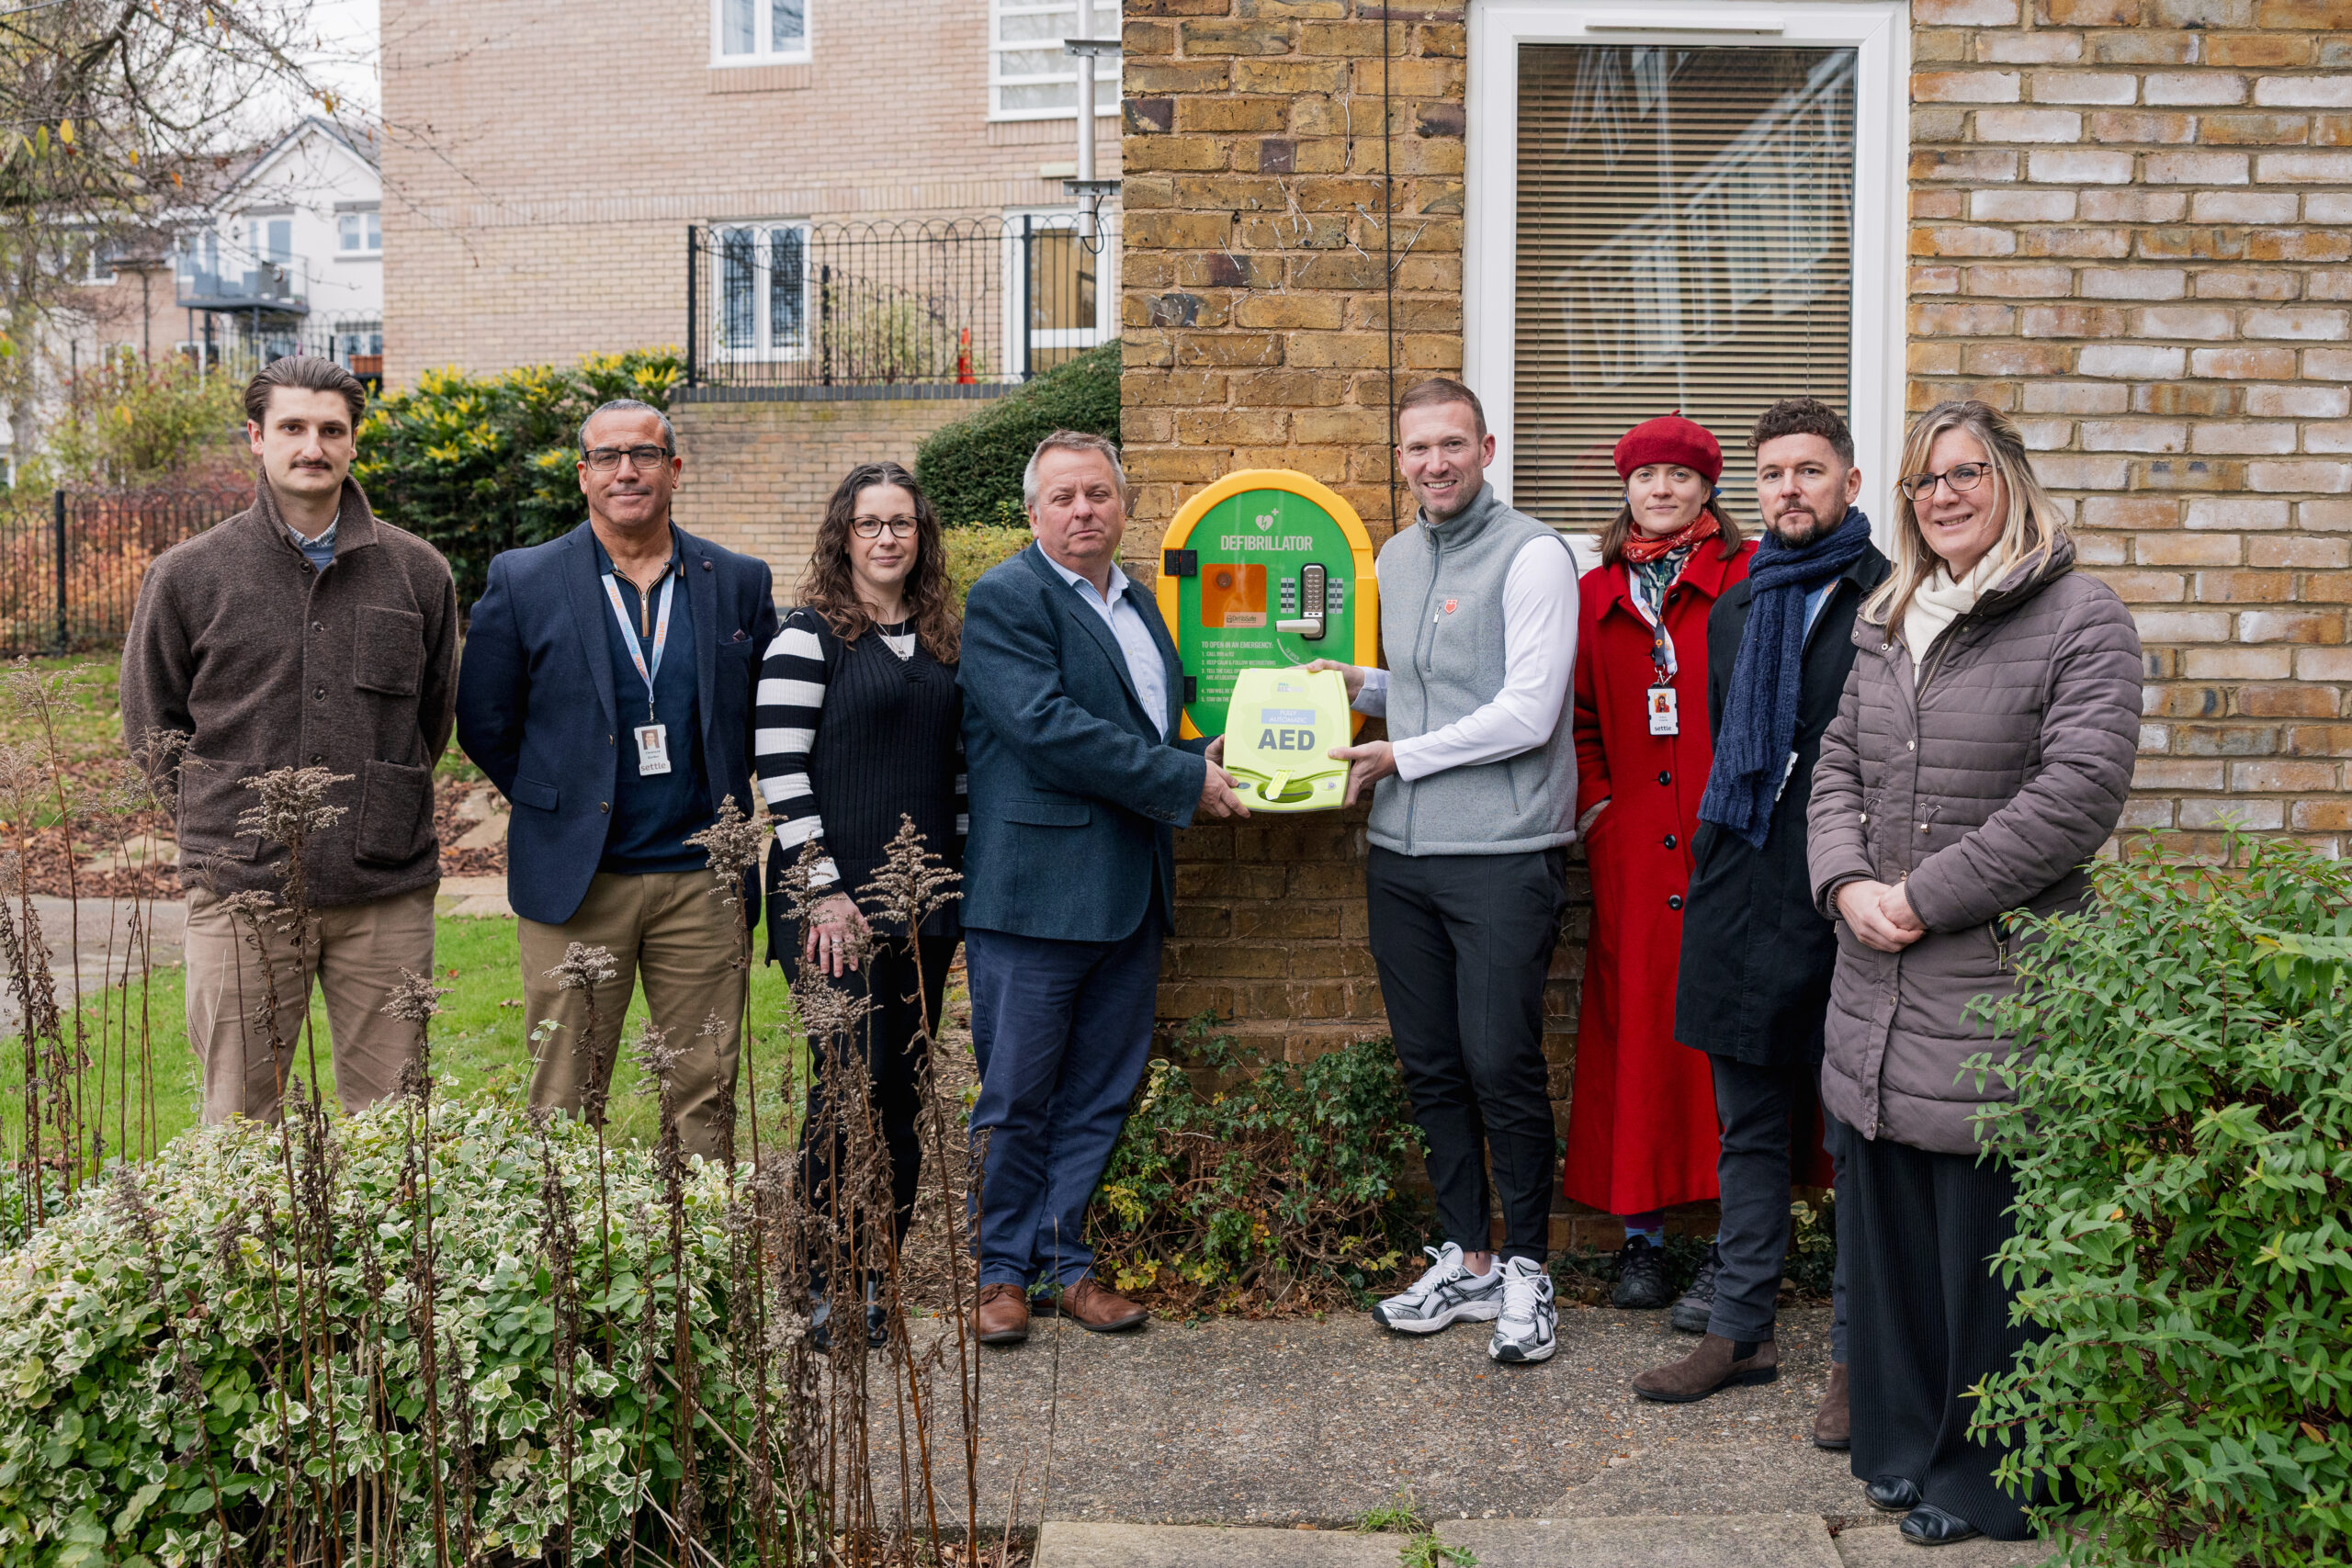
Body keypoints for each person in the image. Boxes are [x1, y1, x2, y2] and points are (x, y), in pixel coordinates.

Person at [1809, 400, 2139, 1546]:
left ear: (2008, 478)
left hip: (1995, 987)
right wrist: (1846, 885)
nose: (1940, 496)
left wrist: (1920, 896)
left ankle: (1990, 1479)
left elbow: (2075, 797)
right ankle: (1902, 1449)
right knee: (1893, 1238)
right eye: (1921, 483)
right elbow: (1836, 766)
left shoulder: (2076, 615)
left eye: (1962, 475)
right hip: (1876, 988)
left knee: (1984, 1257)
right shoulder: (1889, 614)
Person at [1309, 377, 1579, 1367]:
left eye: (1451, 445)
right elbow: (1430, 690)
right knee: (1430, 1066)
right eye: (1417, 449)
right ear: (1402, 458)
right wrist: (1361, 686)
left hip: (1501, 855)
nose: (1434, 464)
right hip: (1402, 855)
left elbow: (1527, 709)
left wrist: (1397, 754)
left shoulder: (1534, 555)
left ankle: (1530, 1275)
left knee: (1500, 1064)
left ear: (1486, 447)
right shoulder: (1395, 554)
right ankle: (1468, 1263)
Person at [957, 429, 1248, 1346]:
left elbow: (1140, 731)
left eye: (1099, 495)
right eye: (1065, 498)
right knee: (1016, 1093)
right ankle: (1000, 1274)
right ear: (1034, 514)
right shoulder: (1008, 598)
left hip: (1127, 887)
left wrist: (1211, 758)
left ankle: (1064, 1263)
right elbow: (1047, 728)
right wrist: (1180, 784)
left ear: (1122, 505)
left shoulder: (1141, 603)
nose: (1084, 511)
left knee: (1098, 1090)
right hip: (1036, 893)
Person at [1629, 399, 1884, 1437]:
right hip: (1737, 886)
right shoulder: (1735, 605)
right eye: (1773, 473)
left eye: (1810, 471)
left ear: (1849, 486)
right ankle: (1741, 1330)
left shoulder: (1889, 604)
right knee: (1748, 1127)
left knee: (1858, 1134)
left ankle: (1859, 1357)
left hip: (1841, 894)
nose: (1789, 489)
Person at [121, 355, 457, 1124]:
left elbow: (429, 719)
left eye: (331, 429)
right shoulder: (187, 575)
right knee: (241, 1124)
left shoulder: (417, 572)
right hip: (242, 890)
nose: (314, 445)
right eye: (293, 427)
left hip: (385, 888)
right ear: (256, 437)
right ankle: (250, 1251)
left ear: (353, 442)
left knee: (394, 1125)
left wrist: (380, 804)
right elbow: (153, 727)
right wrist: (225, 821)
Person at [455, 399, 779, 1160]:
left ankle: (699, 1261)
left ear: (675, 470)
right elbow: (486, 722)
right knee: (565, 1093)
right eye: (607, 457)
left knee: (706, 1086)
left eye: (643, 454)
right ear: (582, 475)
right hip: (578, 883)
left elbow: (757, 718)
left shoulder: (737, 580)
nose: (626, 470)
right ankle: (566, 1267)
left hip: (703, 883)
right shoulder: (524, 578)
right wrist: (559, 801)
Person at [753, 461, 966, 1352]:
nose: (886, 537)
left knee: (903, 1090)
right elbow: (780, 770)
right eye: (869, 523)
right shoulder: (809, 638)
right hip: (831, 910)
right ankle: (818, 1278)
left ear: (921, 537)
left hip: (927, 905)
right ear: (843, 534)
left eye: (902, 523)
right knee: (843, 1093)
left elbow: (956, 777)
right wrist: (825, 892)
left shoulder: (943, 641)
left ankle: (879, 1268)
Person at [1563, 413, 1752, 1309]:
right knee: (1636, 1041)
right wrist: (1599, 813)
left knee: (1722, 1047)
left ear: (1708, 489)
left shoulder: (1744, 581)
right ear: (1626, 488)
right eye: (1647, 477)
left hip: (1726, 845)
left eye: (1680, 475)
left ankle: (1730, 1241)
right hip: (1634, 851)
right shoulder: (1598, 590)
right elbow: (1582, 724)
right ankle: (1640, 1240)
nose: (1663, 490)